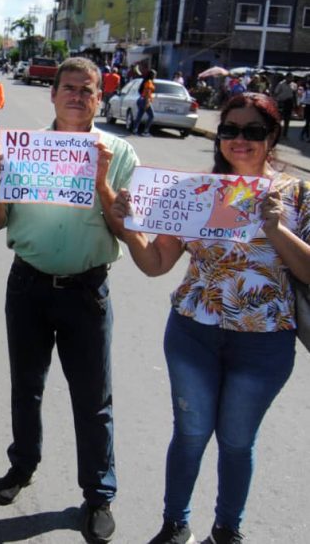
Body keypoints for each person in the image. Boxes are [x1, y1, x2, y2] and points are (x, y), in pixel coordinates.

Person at [108, 92, 307, 544]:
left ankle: (227, 529)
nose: (239, 140)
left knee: (237, 441)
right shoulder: (194, 191)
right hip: (193, 333)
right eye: (229, 130)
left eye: (253, 131)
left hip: (264, 342)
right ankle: (175, 523)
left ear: (272, 136)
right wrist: (128, 228)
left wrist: (276, 229)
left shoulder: (297, 196)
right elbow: (157, 264)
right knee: (191, 432)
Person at [0, 57, 139, 544]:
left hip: (86, 291)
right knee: (26, 387)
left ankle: (98, 495)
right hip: (27, 286)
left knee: (94, 400)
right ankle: (22, 465)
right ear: (53, 95)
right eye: (67, 88)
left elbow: (127, 229)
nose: (76, 96)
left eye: (86, 90)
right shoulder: (23, 150)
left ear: (99, 98)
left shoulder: (119, 151)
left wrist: (103, 182)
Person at [133, 70, 157, 136]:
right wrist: (147, 102)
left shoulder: (146, 81)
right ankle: (145, 131)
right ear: (152, 75)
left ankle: (135, 129)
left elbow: (141, 91)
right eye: (154, 75)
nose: (155, 76)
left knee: (139, 115)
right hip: (145, 100)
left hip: (141, 99)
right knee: (152, 116)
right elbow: (148, 93)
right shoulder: (149, 82)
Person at [274, 73, 296, 138]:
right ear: (286, 77)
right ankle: (276, 133)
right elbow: (276, 93)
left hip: (289, 103)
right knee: (279, 119)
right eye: (290, 77)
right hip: (281, 102)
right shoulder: (281, 84)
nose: (292, 79)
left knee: (287, 119)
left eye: (292, 77)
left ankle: (285, 134)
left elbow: (294, 94)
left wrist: (295, 104)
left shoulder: (294, 85)